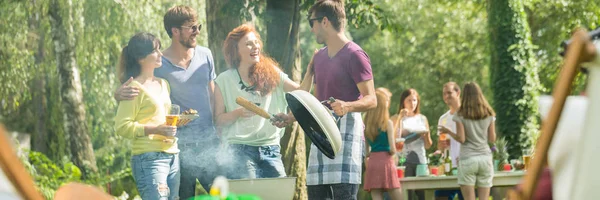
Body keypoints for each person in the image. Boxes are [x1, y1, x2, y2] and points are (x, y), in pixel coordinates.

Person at [114, 5, 219, 198]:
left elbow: (213, 95)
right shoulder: (159, 67)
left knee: (226, 194)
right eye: (192, 28)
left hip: (205, 144)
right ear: (175, 31)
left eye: (199, 27)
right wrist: (118, 94)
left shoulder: (204, 56)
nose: (197, 32)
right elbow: (135, 96)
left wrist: (219, 128)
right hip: (176, 149)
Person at [213, 23, 314, 179]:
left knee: (279, 194)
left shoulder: (271, 72)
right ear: (236, 51)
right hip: (239, 151)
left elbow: (302, 93)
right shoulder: (223, 80)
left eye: (256, 42)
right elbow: (219, 121)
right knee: (251, 194)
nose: (255, 47)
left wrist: (310, 71)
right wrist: (238, 113)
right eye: (248, 44)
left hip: (271, 150)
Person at [306, 0, 377, 199]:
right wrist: (290, 117)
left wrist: (347, 105)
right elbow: (315, 101)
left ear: (325, 21)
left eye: (312, 23)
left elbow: (372, 99)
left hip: (347, 136)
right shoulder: (318, 57)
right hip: (320, 134)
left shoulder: (355, 54)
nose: (311, 29)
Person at [114, 32, 180, 200]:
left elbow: (161, 118)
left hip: (172, 155)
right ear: (141, 58)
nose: (161, 54)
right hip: (149, 158)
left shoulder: (163, 84)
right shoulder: (133, 88)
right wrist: (156, 129)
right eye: (155, 51)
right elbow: (122, 127)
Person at [438, 82, 496, 200]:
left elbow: (462, 139)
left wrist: (448, 132)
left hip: (468, 158)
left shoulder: (461, 114)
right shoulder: (489, 113)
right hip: (485, 159)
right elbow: (492, 139)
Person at [391, 88, 431, 200]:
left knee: (423, 194)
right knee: (405, 195)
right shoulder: (396, 118)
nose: (412, 103)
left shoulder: (422, 119)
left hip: (421, 162)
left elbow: (428, 145)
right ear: (403, 101)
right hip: (403, 162)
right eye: (409, 100)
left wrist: (426, 135)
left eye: (414, 100)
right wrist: (400, 118)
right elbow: (392, 139)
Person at [363, 88, 403, 200]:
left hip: (373, 162)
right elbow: (393, 149)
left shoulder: (366, 124)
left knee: (376, 193)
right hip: (386, 161)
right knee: (396, 192)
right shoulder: (388, 123)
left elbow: (366, 152)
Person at [435, 82, 464, 200]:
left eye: (449, 93)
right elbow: (440, 146)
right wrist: (441, 146)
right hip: (448, 169)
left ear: (458, 93)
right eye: (444, 94)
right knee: (440, 197)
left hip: (465, 167)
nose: (446, 96)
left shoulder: (467, 114)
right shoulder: (443, 119)